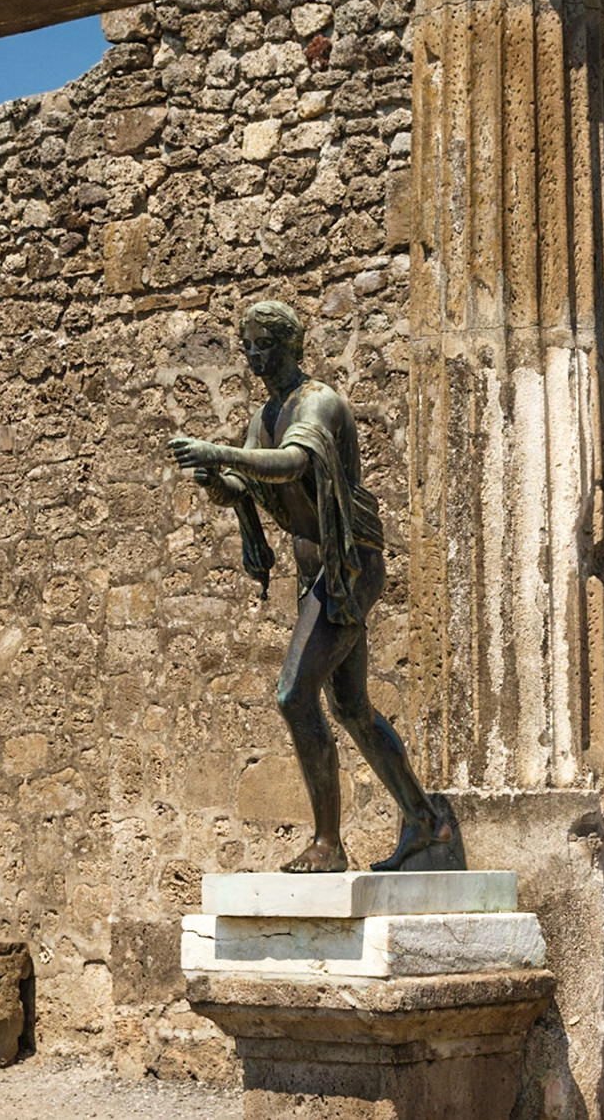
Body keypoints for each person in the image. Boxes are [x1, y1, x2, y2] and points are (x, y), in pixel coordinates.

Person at [167, 300, 454, 873]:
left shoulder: (318, 402)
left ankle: (328, 843)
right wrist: (215, 482)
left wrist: (222, 454)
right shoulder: (263, 417)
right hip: (316, 575)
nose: (253, 355)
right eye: (247, 344)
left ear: (292, 346)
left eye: (264, 344)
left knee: (293, 695)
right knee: (350, 707)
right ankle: (424, 820)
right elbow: (245, 487)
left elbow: (293, 464)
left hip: (347, 567)